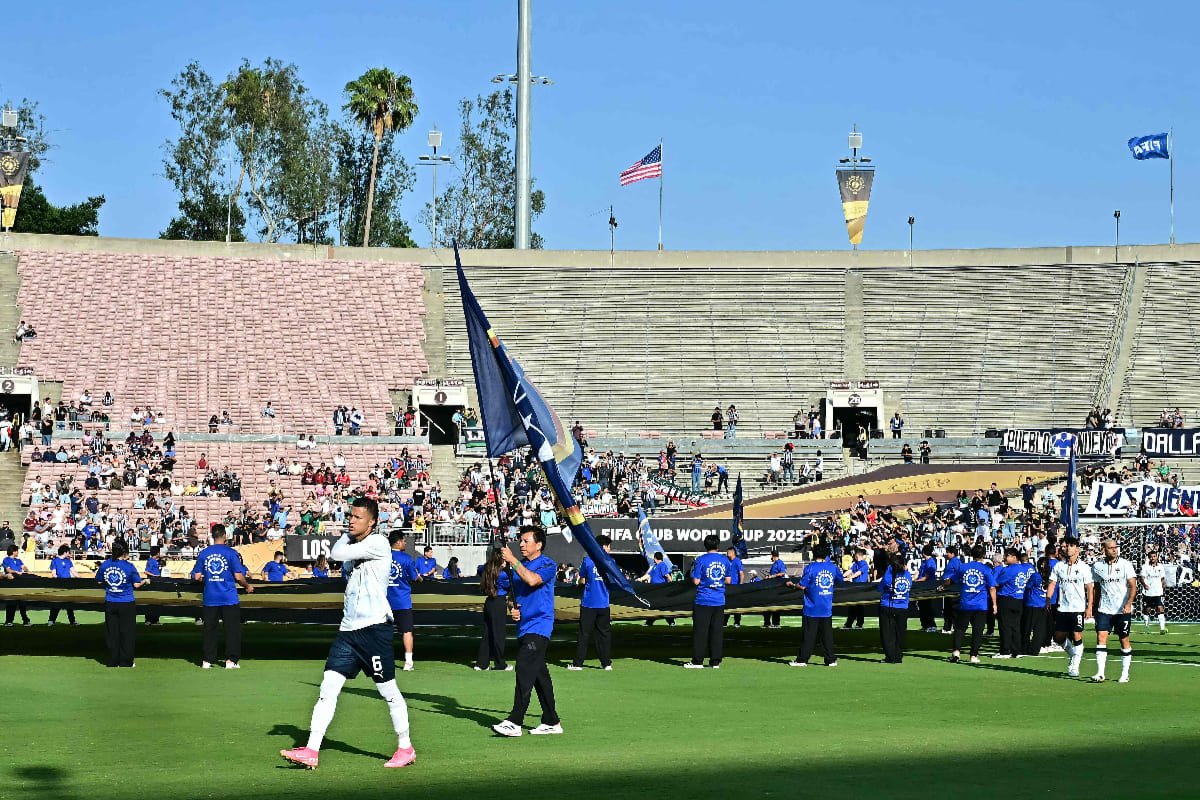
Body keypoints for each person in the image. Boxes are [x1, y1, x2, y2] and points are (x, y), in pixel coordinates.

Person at [281, 498, 416, 770]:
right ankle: (312, 749)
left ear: (372, 522)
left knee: (388, 691)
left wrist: (344, 536)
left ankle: (406, 746)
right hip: (348, 631)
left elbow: (337, 553)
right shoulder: (355, 546)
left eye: (357, 517)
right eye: (350, 516)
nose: (351, 521)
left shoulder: (378, 543)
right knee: (327, 689)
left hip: (374, 630)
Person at [492, 525, 562, 737]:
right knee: (539, 676)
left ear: (538, 544)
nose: (521, 544)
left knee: (524, 667)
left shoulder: (547, 563)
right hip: (524, 627)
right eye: (520, 541)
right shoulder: (518, 566)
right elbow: (509, 594)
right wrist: (512, 607)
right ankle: (552, 721)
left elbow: (532, 580)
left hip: (539, 626)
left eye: (526, 541)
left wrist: (512, 561)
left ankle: (515, 721)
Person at [191, 525, 253, 669]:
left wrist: (208, 579)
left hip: (210, 597)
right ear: (225, 536)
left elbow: (197, 576)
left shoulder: (204, 553)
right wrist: (247, 586)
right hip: (229, 598)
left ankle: (207, 660)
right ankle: (231, 661)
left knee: (209, 630)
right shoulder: (231, 553)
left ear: (212, 536)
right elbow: (238, 576)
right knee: (232, 631)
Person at [1089, 538, 1137, 683]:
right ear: (1104, 549)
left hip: (1122, 610)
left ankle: (1124, 673)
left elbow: (1133, 586)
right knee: (1101, 637)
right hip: (1104, 609)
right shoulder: (1097, 566)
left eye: (1116, 547)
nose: (1114, 549)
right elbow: (1097, 588)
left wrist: (1129, 603)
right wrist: (1093, 607)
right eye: (1111, 548)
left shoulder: (1125, 565)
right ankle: (1100, 673)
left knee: (1124, 639)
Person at [1045, 537, 1094, 679]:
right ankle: (1073, 653)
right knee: (1058, 637)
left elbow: (1090, 588)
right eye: (1066, 546)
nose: (1067, 548)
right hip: (1062, 607)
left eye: (1070, 546)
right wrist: (1048, 599)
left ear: (1077, 549)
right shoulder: (1059, 566)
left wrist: (1089, 606)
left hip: (1077, 607)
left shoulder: (1084, 567)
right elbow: (1052, 583)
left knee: (1077, 635)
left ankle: (1075, 665)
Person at [789, 543, 843, 667]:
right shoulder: (832, 567)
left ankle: (802, 660)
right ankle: (830, 659)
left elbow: (802, 585)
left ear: (814, 554)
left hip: (812, 608)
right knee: (827, 636)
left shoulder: (810, 568)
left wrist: (792, 585)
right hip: (826, 607)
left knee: (809, 636)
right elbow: (840, 580)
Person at [96, 540, 149, 668]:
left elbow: (98, 581)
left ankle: (113, 661)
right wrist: (145, 581)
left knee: (112, 633)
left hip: (110, 601)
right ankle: (126, 661)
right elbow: (136, 584)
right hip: (126, 602)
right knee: (127, 633)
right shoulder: (129, 566)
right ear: (124, 552)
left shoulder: (105, 565)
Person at [944, 544, 996, 664]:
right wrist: (994, 604)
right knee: (978, 631)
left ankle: (956, 652)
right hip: (980, 605)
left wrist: (942, 585)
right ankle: (973, 655)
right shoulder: (986, 569)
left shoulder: (963, 567)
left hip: (965, 603)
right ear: (983, 555)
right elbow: (992, 588)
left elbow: (951, 580)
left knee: (960, 629)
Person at [570, 534, 613, 671]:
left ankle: (578, 664)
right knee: (604, 635)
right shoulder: (610, 562)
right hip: (604, 604)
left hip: (589, 604)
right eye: (609, 546)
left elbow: (582, 580)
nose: (610, 549)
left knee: (584, 634)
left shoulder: (588, 561)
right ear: (603, 546)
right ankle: (606, 664)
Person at [687, 534, 731, 669]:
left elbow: (696, 581)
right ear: (718, 546)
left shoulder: (701, 560)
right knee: (717, 632)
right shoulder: (725, 560)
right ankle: (715, 661)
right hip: (719, 600)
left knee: (701, 632)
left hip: (703, 600)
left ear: (705, 545)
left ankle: (697, 661)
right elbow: (728, 580)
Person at [386, 530, 419, 672]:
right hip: (402, 601)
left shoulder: (383, 558)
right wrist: (420, 577)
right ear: (398, 542)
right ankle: (408, 662)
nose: (405, 542)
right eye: (404, 540)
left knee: (382, 632)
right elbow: (415, 577)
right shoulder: (406, 559)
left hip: (385, 601)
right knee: (406, 631)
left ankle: (381, 659)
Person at [475, 547, 512, 672]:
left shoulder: (487, 570)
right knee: (498, 635)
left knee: (487, 634)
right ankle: (500, 663)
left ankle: (481, 663)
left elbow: (480, 568)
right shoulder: (503, 574)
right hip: (499, 602)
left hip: (489, 602)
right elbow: (511, 585)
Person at [993, 547, 1032, 659]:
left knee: (1005, 626)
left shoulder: (1009, 569)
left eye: (1007, 555)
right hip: (1019, 600)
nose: (1005, 557)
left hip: (1007, 599)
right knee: (1016, 626)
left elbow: (996, 582)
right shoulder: (1023, 569)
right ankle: (1016, 650)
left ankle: (1005, 651)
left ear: (1014, 557)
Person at [878, 551, 912, 663]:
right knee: (900, 632)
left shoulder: (888, 577)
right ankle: (898, 655)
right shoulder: (907, 576)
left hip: (888, 606)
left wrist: (889, 568)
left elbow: (880, 588)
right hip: (902, 607)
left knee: (887, 633)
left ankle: (890, 656)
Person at [637, 551, 675, 626]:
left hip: (661, 589)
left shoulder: (662, 565)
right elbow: (648, 575)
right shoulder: (655, 566)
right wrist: (640, 579)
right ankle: (649, 622)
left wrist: (672, 583)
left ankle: (671, 621)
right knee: (653, 606)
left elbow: (667, 575)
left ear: (655, 558)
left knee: (664, 606)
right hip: (654, 589)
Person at [1022, 555, 1051, 656]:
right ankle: (1035, 650)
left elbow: (1028, 587)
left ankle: (1024, 648)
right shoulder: (1050, 577)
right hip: (1043, 605)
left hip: (1032, 604)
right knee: (1039, 630)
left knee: (1027, 628)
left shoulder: (1035, 576)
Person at [47, 544, 79, 626]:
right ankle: (51, 621)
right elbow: (54, 574)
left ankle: (72, 621)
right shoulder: (54, 561)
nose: (70, 554)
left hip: (68, 585)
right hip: (58, 585)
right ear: (65, 552)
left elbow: (73, 571)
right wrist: (59, 581)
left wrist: (81, 578)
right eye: (69, 552)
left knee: (69, 604)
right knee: (56, 603)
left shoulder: (68, 561)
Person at [2, 545, 32, 625]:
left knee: (22, 603)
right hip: (11, 584)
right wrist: (16, 572)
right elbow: (8, 570)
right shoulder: (6, 560)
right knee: (11, 603)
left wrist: (27, 570)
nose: (18, 552)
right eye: (17, 551)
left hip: (20, 583)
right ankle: (8, 621)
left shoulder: (19, 560)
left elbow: (23, 567)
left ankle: (26, 621)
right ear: (13, 551)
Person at [1140, 550, 1168, 634]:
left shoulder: (1160, 566)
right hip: (1148, 592)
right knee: (1147, 610)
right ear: (1149, 558)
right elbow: (1141, 578)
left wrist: (1163, 587)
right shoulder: (1145, 567)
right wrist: (1144, 585)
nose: (1153, 558)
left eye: (1154, 556)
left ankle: (1162, 628)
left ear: (1157, 557)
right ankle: (1146, 627)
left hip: (1158, 592)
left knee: (1160, 608)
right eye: (1151, 557)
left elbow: (1162, 578)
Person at [841, 547, 870, 629]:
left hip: (861, 587)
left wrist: (848, 578)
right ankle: (849, 623)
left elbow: (858, 573)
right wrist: (841, 577)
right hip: (854, 587)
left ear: (858, 555)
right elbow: (850, 571)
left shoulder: (864, 564)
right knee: (852, 605)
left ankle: (859, 624)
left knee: (859, 606)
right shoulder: (855, 563)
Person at [916, 543, 939, 632]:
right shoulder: (924, 561)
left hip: (927, 587)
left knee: (927, 606)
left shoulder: (931, 562)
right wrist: (914, 579)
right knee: (921, 606)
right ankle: (925, 625)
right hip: (921, 587)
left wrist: (917, 581)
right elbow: (919, 572)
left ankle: (931, 625)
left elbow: (927, 576)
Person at [763, 550, 788, 628]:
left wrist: (772, 576)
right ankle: (768, 623)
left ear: (773, 556)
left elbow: (782, 573)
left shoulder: (780, 563)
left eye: (771, 556)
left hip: (777, 587)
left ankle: (776, 623)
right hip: (772, 586)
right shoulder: (774, 564)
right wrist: (768, 576)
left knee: (775, 606)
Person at [940, 545, 961, 633]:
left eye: (948, 552)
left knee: (953, 609)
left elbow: (958, 573)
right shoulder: (951, 561)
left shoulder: (955, 561)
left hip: (953, 588)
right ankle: (947, 627)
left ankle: (955, 627)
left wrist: (951, 582)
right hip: (948, 588)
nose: (946, 554)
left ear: (952, 553)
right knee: (948, 608)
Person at [724, 545, 745, 628]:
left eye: (728, 552)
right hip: (728, 587)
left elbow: (741, 574)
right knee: (727, 605)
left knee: (736, 605)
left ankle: (737, 622)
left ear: (732, 553)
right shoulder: (727, 561)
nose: (727, 554)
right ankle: (724, 622)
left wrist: (740, 586)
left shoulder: (737, 561)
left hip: (735, 586)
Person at [144, 545, 163, 625]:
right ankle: (148, 620)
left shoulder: (157, 561)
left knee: (157, 601)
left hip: (157, 582)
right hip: (152, 583)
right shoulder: (150, 561)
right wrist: (154, 576)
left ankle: (156, 620)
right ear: (157, 553)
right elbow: (146, 571)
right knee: (150, 601)